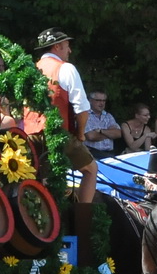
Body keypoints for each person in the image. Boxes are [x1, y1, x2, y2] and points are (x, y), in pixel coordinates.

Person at [24, 29, 96, 203]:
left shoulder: (31, 70)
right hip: (57, 134)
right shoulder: (66, 68)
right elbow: (82, 108)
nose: (69, 50)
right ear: (57, 46)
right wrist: (80, 135)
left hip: (28, 135)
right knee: (91, 170)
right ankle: (83, 217)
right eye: (67, 45)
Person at [81, 91, 122, 160]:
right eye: (98, 100)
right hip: (92, 155)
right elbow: (91, 136)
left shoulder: (108, 116)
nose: (102, 103)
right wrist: (109, 134)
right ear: (90, 101)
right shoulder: (85, 116)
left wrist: (101, 131)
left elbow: (118, 133)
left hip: (109, 154)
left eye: (104, 101)